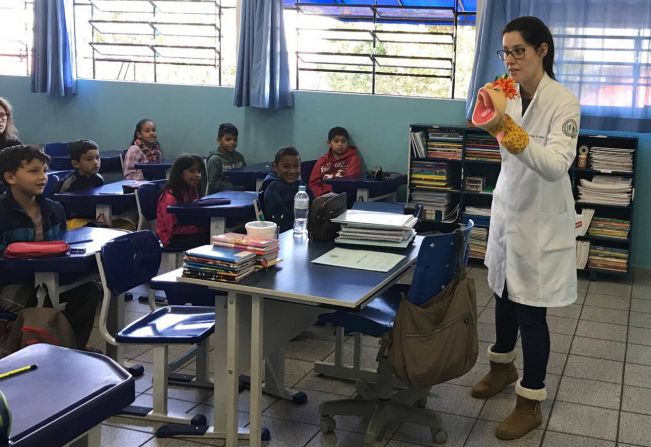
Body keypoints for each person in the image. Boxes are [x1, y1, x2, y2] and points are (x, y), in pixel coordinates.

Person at [469, 16, 581, 440]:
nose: (511, 59)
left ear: (542, 51)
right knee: (502, 295)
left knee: (532, 312)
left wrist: (505, 127)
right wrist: (490, 108)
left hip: (541, 220)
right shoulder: (508, 94)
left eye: (519, 50)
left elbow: (555, 166)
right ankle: (501, 368)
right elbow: (484, 119)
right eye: (505, 51)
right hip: (508, 211)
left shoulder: (564, 102)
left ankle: (529, 400)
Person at [0, 145, 99, 350]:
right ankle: (31, 352)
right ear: (10, 177)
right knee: (41, 300)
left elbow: (62, 247)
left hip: (49, 278)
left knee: (88, 290)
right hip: (10, 283)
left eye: (44, 170)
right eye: (34, 171)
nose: (43, 177)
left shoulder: (54, 209)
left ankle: (73, 348)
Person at [156, 154, 209, 248]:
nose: (197, 175)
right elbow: (172, 228)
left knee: (215, 235)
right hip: (171, 237)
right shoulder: (170, 196)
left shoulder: (191, 189)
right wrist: (200, 228)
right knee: (211, 239)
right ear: (180, 173)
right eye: (191, 171)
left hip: (188, 231)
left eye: (199, 171)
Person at [260, 145, 314, 234]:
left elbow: (314, 205)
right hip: (284, 235)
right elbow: (279, 221)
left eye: (296, 166)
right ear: (275, 167)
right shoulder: (273, 188)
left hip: (303, 231)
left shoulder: (300, 185)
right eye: (286, 167)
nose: (292, 171)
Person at [308, 126, 362, 197]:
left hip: (344, 197)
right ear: (329, 143)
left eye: (343, 141)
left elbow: (351, 182)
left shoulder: (354, 159)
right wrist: (321, 196)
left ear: (347, 142)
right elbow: (313, 183)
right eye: (336, 141)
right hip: (322, 197)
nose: (340, 144)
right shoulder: (322, 160)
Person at [206, 123, 246, 194]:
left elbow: (246, 174)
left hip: (238, 195)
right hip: (219, 198)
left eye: (235, 140)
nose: (232, 142)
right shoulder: (214, 160)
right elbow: (214, 184)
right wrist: (236, 188)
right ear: (219, 140)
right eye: (228, 139)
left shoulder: (239, 157)